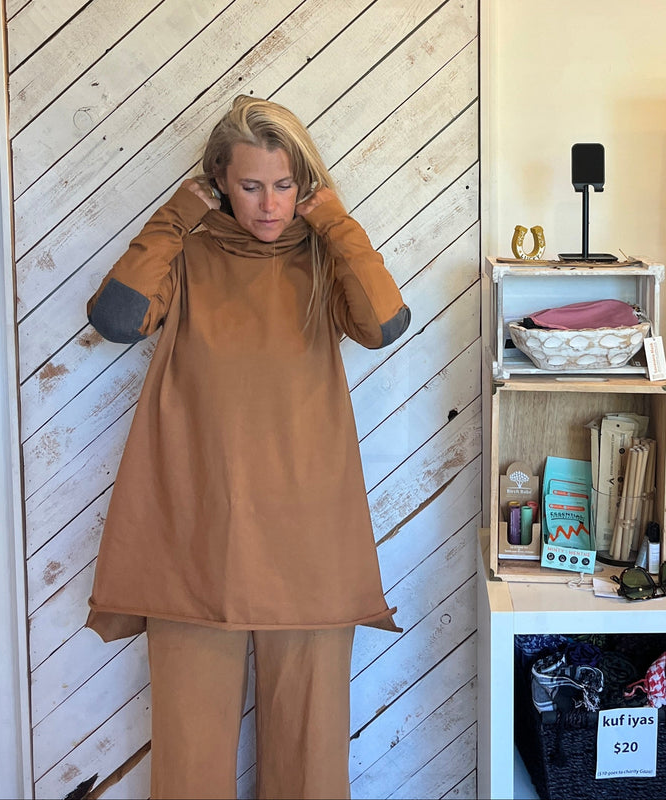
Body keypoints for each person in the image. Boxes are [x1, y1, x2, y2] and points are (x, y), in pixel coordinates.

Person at [85, 95, 411, 800]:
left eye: (287, 185)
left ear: (307, 185)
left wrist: (329, 220)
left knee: (310, 768)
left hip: (308, 535)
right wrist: (177, 215)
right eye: (252, 184)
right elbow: (115, 319)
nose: (270, 205)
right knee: (189, 768)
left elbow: (385, 324)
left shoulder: (322, 257)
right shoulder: (189, 252)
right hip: (194, 531)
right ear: (219, 182)